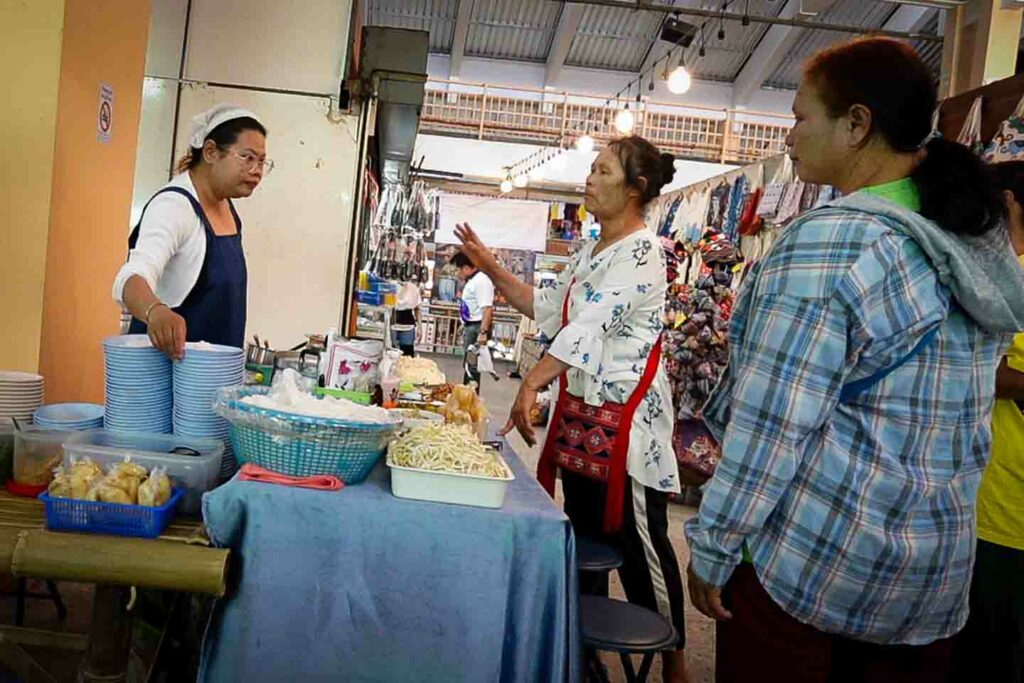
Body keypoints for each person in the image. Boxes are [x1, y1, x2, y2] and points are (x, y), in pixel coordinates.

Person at [683, 37, 1024, 683]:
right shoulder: (970, 236)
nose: (788, 137)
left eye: (800, 116)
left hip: (813, 567)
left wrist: (716, 541)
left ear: (857, 123)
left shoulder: (832, 240)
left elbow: (773, 423)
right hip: (930, 579)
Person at [456, 136, 690, 683]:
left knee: (642, 546)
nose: (588, 180)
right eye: (591, 169)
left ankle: (676, 665)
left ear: (635, 189)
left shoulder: (643, 252)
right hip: (584, 423)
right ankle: (588, 656)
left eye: (602, 171)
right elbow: (545, 308)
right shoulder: (592, 251)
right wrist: (487, 262)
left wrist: (531, 384)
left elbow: (589, 328)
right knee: (587, 539)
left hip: (627, 429)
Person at [112, 105, 271, 358]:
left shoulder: (224, 204)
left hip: (211, 374)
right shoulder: (174, 207)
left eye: (262, 161)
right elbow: (131, 278)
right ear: (210, 152)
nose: (257, 171)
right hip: (167, 377)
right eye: (247, 157)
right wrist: (155, 311)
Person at [949, 160, 1024, 683]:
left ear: (1010, 206)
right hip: (977, 496)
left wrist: (968, 358)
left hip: (1006, 508)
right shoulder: (998, 276)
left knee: (991, 656)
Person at [451, 251, 495, 386]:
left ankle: (470, 399)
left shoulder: (481, 281)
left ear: (466, 268)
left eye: (458, 269)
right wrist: (463, 324)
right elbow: (472, 307)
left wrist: (482, 333)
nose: (458, 273)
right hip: (471, 326)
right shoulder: (474, 281)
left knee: (472, 368)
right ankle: (466, 396)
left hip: (477, 328)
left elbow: (487, 309)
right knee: (468, 366)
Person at [393, 282, 421, 357]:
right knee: (390, 352)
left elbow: (417, 309)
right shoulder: (390, 284)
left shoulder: (413, 287)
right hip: (391, 322)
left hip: (408, 325)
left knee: (407, 354)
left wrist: (420, 328)